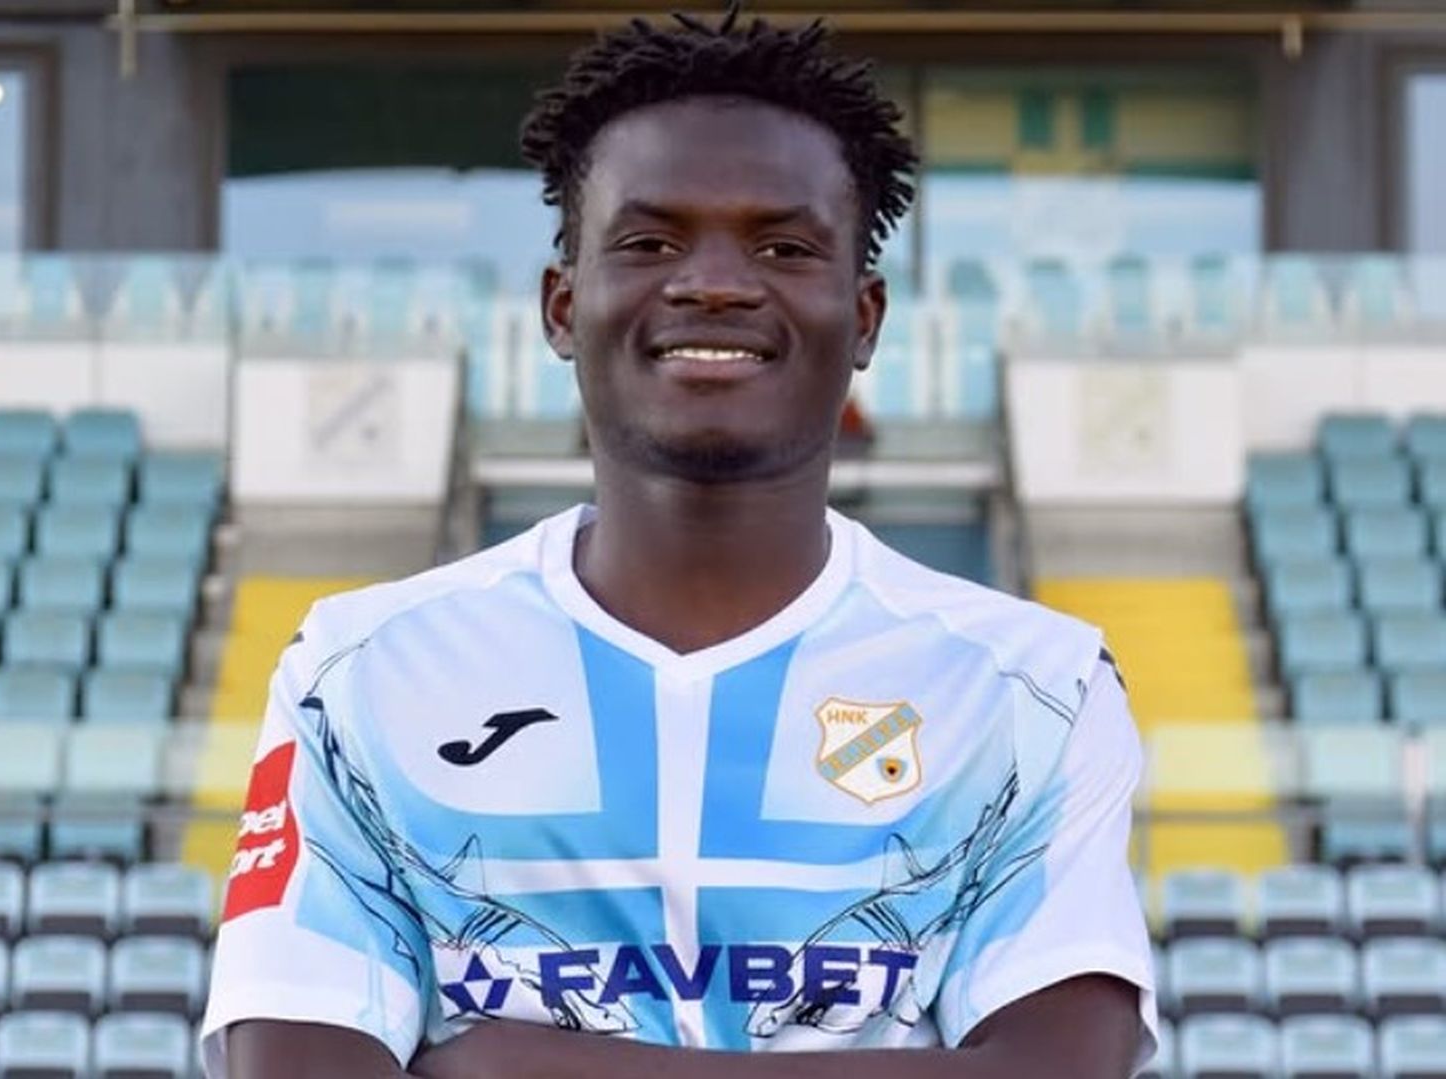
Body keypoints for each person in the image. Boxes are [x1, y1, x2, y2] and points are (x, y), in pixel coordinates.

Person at [201, 7, 1156, 1077]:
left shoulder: (1033, 690)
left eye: (783, 247)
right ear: (562, 306)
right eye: (650, 242)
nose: (713, 283)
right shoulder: (358, 675)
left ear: (865, 316)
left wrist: (516, 1065)